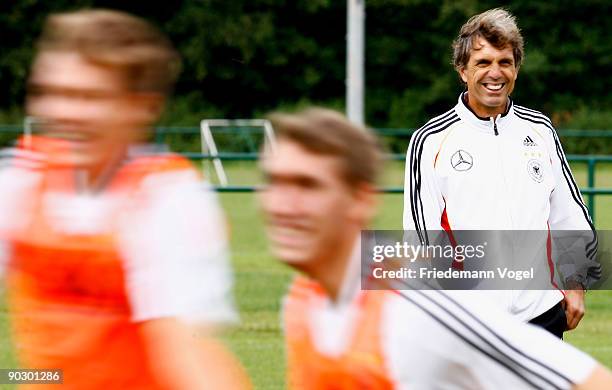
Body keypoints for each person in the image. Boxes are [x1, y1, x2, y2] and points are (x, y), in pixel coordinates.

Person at [259, 107, 611, 389]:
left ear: (360, 199)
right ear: (463, 69)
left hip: (534, 305)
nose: (281, 204)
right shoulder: (302, 301)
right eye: (273, 182)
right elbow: (421, 233)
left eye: (307, 185)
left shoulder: (420, 311)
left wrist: (575, 278)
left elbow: (587, 381)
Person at [0, 9, 250, 389]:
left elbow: (185, 350)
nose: (64, 113)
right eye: (50, 93)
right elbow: (54, 372)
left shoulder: (166, 198)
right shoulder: (21, 180)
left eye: (89, 97)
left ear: (141, 106)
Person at [402, 8, 599, 338]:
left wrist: (576, 283)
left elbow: (569, 214)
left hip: (542, 314)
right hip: (469, 320)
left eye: (504, 62)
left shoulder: (540, 130)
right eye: (483, 62)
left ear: (516, 69)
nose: (495, 73)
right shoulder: (430, 141)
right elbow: (423, 240)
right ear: (462, 71)